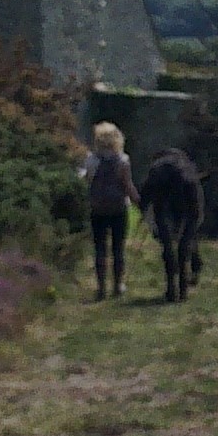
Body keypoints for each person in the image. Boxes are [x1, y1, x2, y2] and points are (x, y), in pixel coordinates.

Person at [78, 122, 139, 302]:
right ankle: (118, 285)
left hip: (97, 208)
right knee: (118, 248)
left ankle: (101, 287)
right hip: (118, 208)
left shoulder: (91, 160)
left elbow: (87, 182)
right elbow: (128, 186)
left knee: (100, 249)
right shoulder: (122, 160)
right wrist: (139, 202)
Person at [137, 146, 205, 303]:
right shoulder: (187, 166)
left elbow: (144, 197)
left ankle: (171, 290)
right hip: (189, 190)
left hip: (162, 195)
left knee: (167, 246)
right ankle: (183, 289)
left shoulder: (156, 169)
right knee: (185, 241)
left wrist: (143, 211)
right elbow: (195, 213)